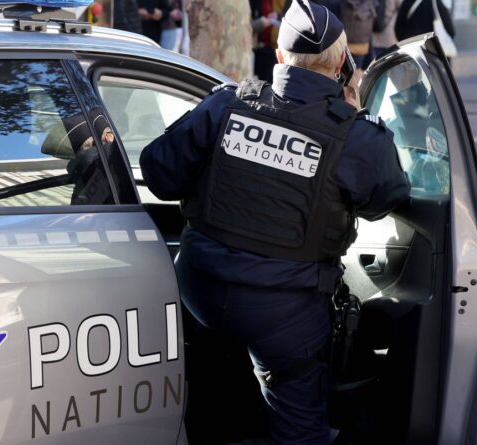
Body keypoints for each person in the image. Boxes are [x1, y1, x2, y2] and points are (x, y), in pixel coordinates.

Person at [139, 0, 410, 442]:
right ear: (343, 62)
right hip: (284, 313)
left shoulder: (227, 105)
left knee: (212, 391)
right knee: (299, 426)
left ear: (280, 56)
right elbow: (386, 200)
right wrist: (355, 112)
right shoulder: (355, 135)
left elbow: (159, 174)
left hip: (200, 290)